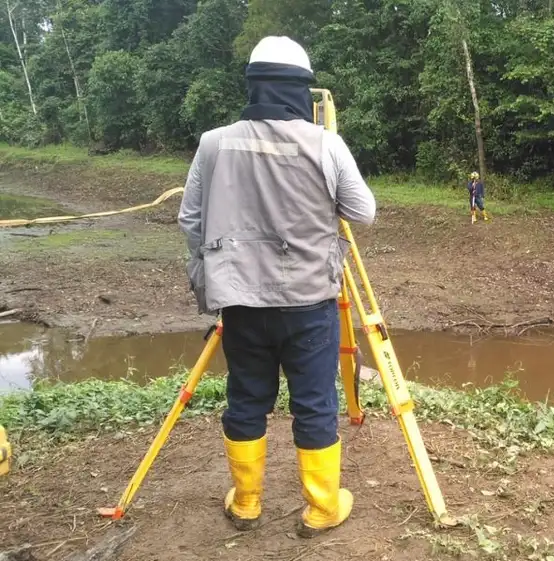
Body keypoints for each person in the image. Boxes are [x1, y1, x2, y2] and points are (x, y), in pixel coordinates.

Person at [177, 36, 376, 539]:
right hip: (309, 303)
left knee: (246, 399)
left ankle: (246, 504)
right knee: (314, 402)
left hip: (241, 303)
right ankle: (322, 508)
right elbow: (363, 212)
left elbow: (191, 220)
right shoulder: (324, 143)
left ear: (252, 85)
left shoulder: (213, 142)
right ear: (301, 90)